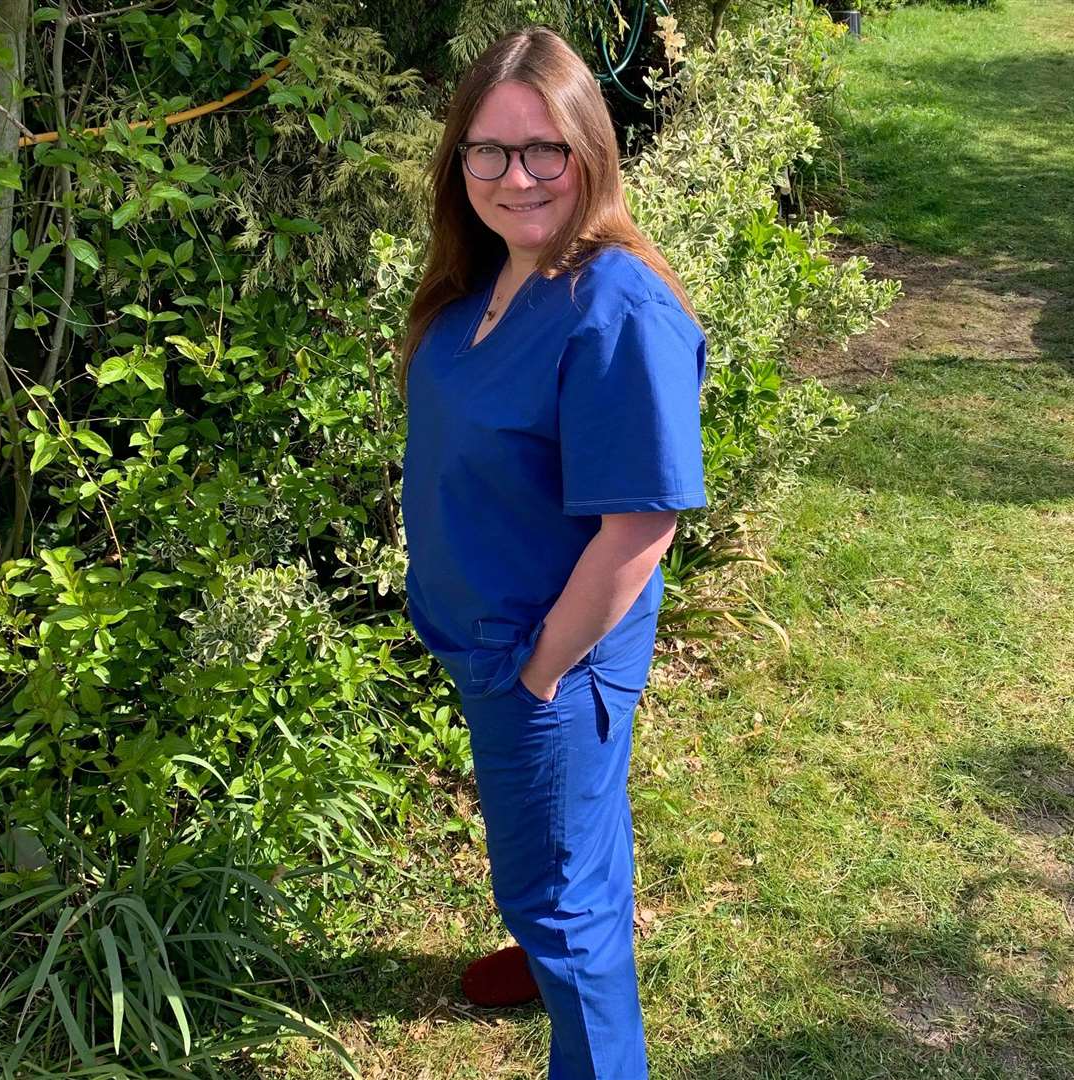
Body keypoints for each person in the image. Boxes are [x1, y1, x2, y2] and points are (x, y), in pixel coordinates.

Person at [395, 24, 708, 1080]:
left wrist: (538, 676)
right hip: (485, 631)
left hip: (546, 650)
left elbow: (640, 526)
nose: (514, 175)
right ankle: (541, 945)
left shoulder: (616, 309)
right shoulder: (488, 274)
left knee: (561, 896)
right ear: (457, 159)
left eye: (544, 151)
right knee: (570, 839)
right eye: (487, 149)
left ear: (590, 154)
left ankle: (562, 970)